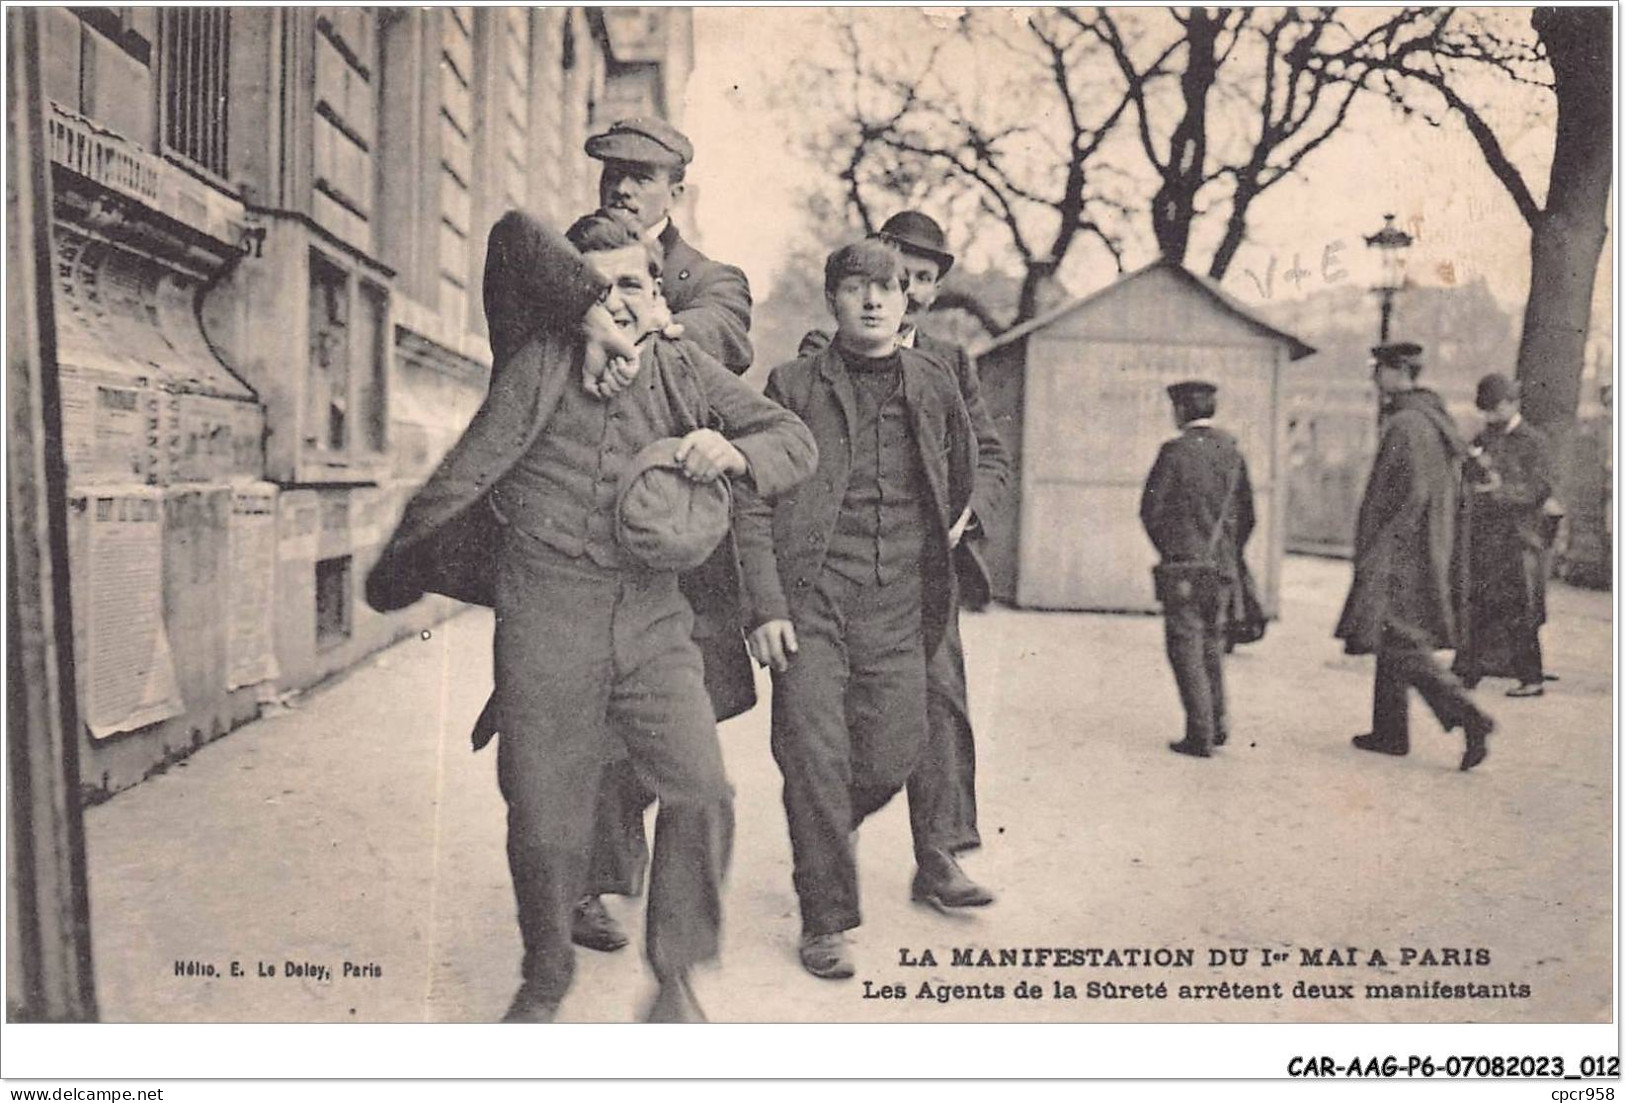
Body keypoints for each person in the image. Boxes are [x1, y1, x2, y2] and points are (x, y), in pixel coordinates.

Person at [366, 211, 815, 1022]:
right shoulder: (531, 352)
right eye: (599, 288)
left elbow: (790, 436)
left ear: (659, 293)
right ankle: (544, 975)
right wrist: (587, 313)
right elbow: (506, 234)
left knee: (702, 788)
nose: (620, 304)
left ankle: (675, 977)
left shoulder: (682, 367)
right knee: (542, 810)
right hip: (545, 615)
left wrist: (734, 452)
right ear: (571, 294)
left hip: (651, 620)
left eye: (635, 286)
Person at [484, 116, 761, 958]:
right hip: (561, 548)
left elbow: (724, 335)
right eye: (612, 174)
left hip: (665, 553)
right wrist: (586, 310)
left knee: (673, 746)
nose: (623, 187)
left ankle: (624, 883)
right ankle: (585, 885)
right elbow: (514, 272)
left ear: (680, 189)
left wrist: (650, 329)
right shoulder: (566, 260)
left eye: (643, 175)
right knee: (575, 738)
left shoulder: (710, 279)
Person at [736, 240, 975, 980]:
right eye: (854, 288)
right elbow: (750, 493)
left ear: (908, 300)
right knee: (813, 756)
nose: (872, 301)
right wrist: (764, 605)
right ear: (831, 300)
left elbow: (961, 474)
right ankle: (826, 917)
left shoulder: (935, 385)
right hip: (811, 607)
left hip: (899, 608)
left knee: (895, 751)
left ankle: (819, 837)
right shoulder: (793, 384)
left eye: (888, 288)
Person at [799, 211, 1010, 906]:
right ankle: (834, 826)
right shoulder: (818, 355)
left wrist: (967, 510)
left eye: (924, 280)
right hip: (845, 571)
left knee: (941, 699)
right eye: (902, 275)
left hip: (924, 567)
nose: (911, 292)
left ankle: (939, 854)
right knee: (851, 717)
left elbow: (989, 455)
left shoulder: (950, 362)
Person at [1335, 342, 1496, 771]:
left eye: (1380, 370)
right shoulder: (1429, 418)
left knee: (1402, 641)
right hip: (1419, 548)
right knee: (1392, 638)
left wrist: (1380, 548)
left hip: (1401, 552)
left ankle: (1470, 716)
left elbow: (1405, 497)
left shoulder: (1407, 424)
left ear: (1399, 372)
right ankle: (1389, 732)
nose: (1375, 379)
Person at [1139, 381, 1256, 758]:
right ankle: (1218, 725)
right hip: (1221, 567)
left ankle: (1199, 733)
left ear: (1180, 411)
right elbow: (1248, 515)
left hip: (1183, 567)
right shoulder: (1232, 452)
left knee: (1184, 645)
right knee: (1211, 643)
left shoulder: (1173, 453)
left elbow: (1150, 511)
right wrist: (1227, 553)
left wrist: (1172, 549)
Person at [1453, 373, 1556, 697]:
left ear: (1513, 404)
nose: (1489, 416)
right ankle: (1467, 671)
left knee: (1518, 607)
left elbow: (1539, 488)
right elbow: (1467, 473)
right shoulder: (1485, 436)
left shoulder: (1533, 441)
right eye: (1485, 410)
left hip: (1519, 537)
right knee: (1477, 601)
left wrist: (1498, 491)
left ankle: (1531, 677)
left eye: (1495, 408)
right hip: (1486, 535)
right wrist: (1472, 467)